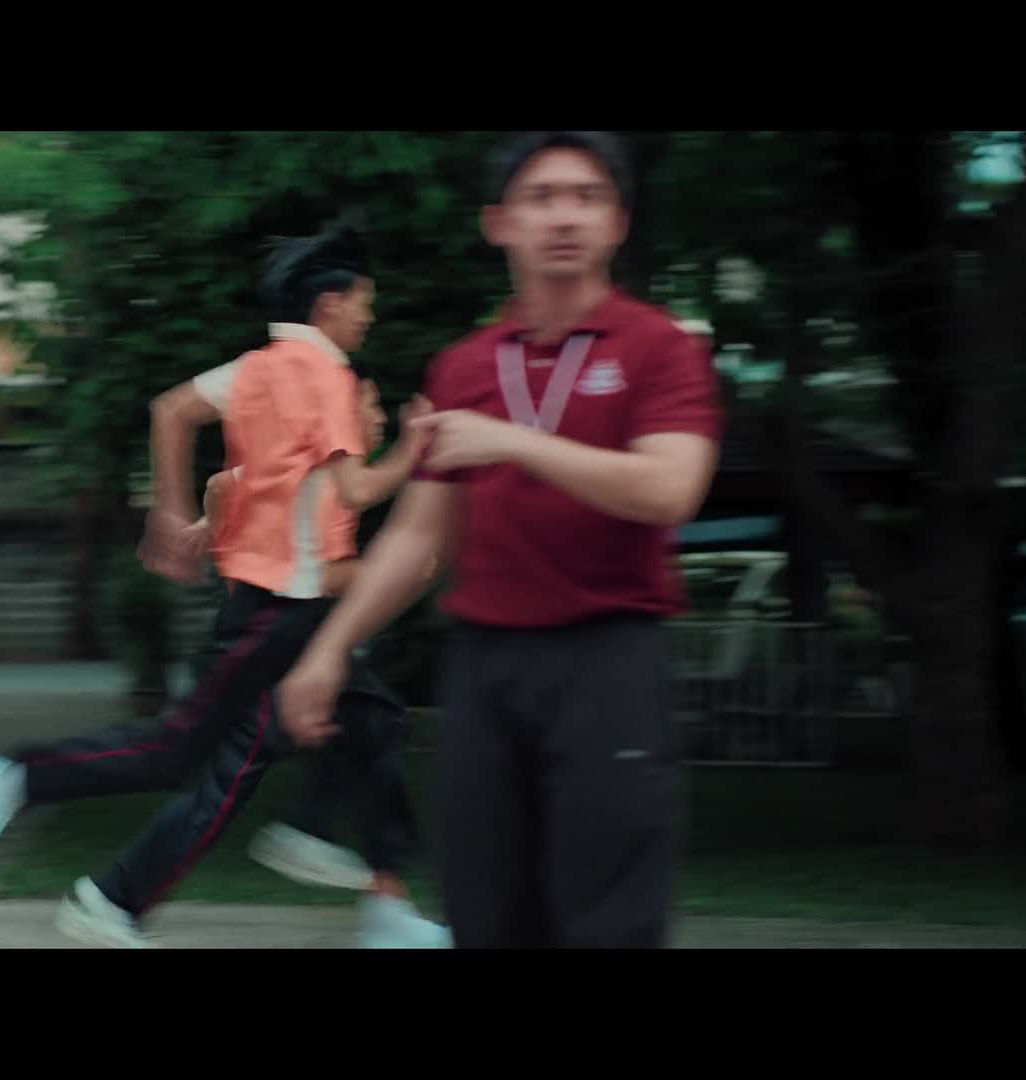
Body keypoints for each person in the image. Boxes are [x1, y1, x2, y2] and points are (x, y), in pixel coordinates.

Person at [276, 132, 725, 949]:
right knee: (484, 911)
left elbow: (669, 488)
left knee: (607, 919)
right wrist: (330, 650)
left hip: (608, 660)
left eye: (587, 197)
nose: (565, 217)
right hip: (486, 667)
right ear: (500, 223)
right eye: (541, 197)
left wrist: (514, 443)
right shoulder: (465, 367)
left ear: (618, 222)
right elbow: (419, 537)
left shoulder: (660, 346)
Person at [0, 221, 440, 947]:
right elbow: (358, 488)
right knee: (177, 751)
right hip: (280, 615)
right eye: (365, 301)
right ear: (330, 304)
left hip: (286, 613)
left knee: (371, 723)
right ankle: (17, 775)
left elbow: (177, 418)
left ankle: (322, 871)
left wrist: (174, 517)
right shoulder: (327, 375)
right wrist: (415, 453)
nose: (370, 316)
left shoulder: (260, 368)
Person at [183, 389, 449, 948]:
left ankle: (378, 896)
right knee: (371, 724)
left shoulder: (314, 476)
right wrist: (387, 575)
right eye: (368, 405)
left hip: (276, 637)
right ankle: (313, 837)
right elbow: (322, 574)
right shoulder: (324, 478)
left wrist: (215, 529)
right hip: (277, 638)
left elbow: (222, 486)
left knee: (370, 732)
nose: (377, 415)